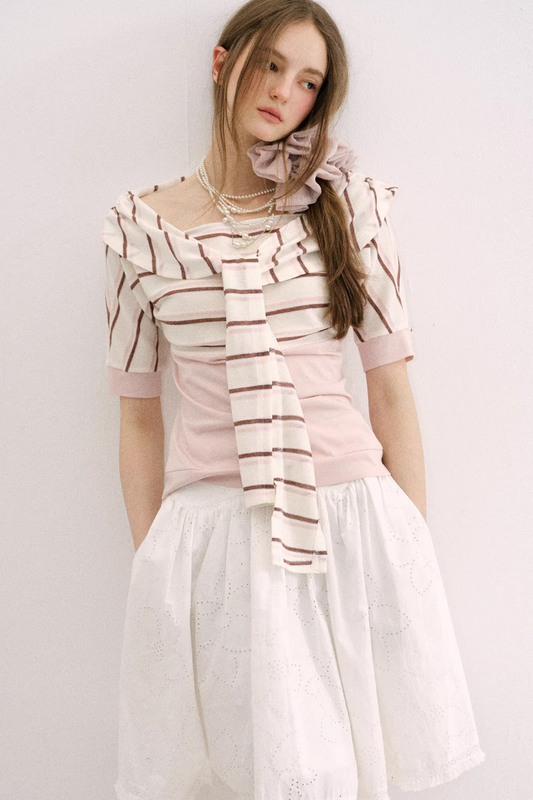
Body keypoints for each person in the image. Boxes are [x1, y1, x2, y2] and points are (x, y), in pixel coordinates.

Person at [101, 1, 486, 798]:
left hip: (349, 521)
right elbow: (138, 417)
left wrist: (407, 549)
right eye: (271, 64)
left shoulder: (348, 205)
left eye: (307, 81)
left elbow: (390, 388)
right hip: (215, 536)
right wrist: (156, 563)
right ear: (222, 64)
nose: (284, 91)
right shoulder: (139, 231)